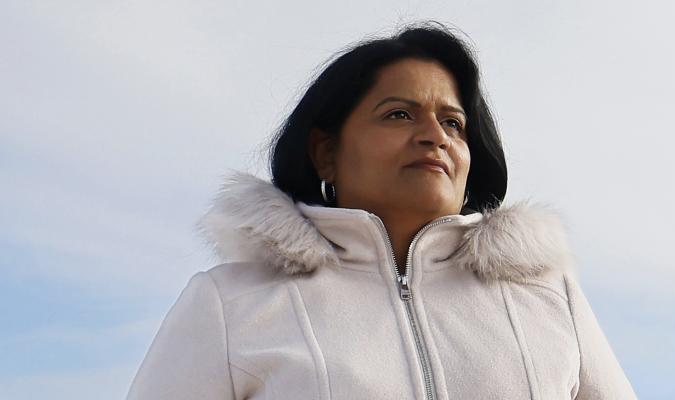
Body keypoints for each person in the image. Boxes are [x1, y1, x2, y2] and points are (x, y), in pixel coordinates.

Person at [127, 22, 635, 399]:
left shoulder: (549, 300)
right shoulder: (231, 304)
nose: (434, 136)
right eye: (398, 114)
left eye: (454, 123)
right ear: (325, 151)